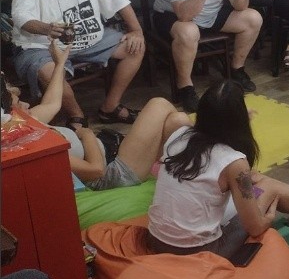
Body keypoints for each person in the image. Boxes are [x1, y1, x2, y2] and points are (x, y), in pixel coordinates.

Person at [146, 79, 289, 258]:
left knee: (254, 179)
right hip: (201, 252)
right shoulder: (234, 162)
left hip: (155, 240)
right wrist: (268, 217)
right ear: (239, 121)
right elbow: (255, 226)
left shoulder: (178, 135)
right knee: (267, 186)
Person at [2, 40, 179, 191]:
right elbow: (96, 171)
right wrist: (87, 135)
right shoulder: (30, 144)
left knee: (178, 121)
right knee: (159, 104)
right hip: (111, 173)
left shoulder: (23, 121)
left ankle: (191, 175)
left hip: (113, 148)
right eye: (18, 104)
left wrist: (60, 62)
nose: (26, 104)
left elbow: (52, 102)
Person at [10, 0, 145, 129]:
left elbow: (119, 1)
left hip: (92, 39)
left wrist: (136, 30)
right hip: (43, 45)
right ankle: (77, 116)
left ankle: (110, 107)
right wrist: (47, 28)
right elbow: (21, 18)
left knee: (136, 47)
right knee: (50, 72)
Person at [152, 0, 262, 111]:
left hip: (212, 12)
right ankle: (185, 87)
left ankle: (236, 70)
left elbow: (240, 7)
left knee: (253, 18)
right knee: (189, 31)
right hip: (173, 15)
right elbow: (184, 15)